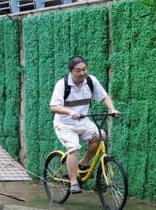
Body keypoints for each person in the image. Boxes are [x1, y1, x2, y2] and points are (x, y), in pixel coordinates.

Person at [49, 55, 119, 194]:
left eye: (84, 69)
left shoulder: (91, 81)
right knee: (74, 148)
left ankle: (84, 163)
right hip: (65, 124)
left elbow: (104, 97)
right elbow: (54, 107)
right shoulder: (62, 84)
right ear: (71, 71)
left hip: (83, 121)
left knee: (100, 136)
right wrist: (70, 112)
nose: (82, 73)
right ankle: (74, 182)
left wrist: (112, 109)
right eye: (78, 70)